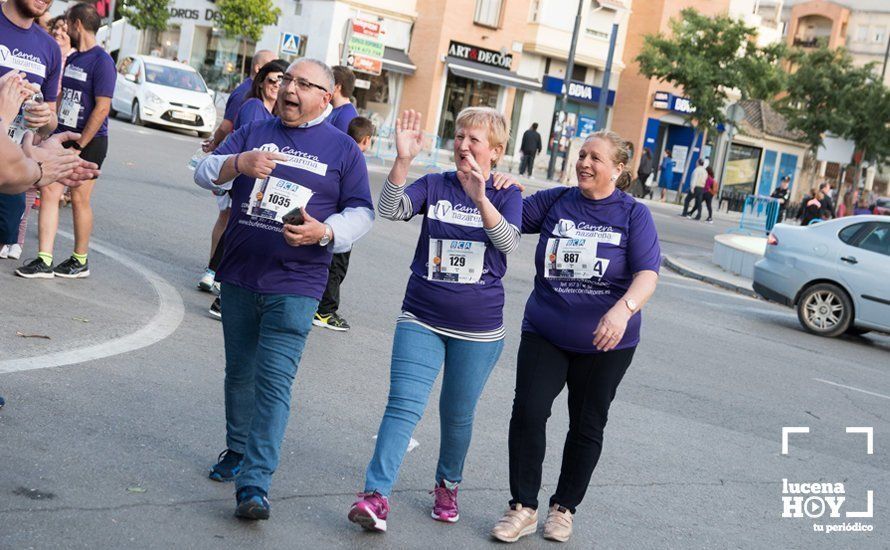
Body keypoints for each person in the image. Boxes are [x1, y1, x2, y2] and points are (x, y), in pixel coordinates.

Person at [193, 58, 374, 521]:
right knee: (239, 372)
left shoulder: (343, 149)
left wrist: (325, 232)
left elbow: (362, 211)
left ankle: (255, 484)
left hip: (297, 282)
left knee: (273, 383)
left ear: (326, 95)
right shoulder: (254, 129)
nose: (290, 89)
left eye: (303, 84)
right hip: (238, 274)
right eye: (287, 80)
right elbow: (203, 169)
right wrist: (238, 163)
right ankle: (236, 449)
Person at [348, 107, 522, 533]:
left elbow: (508, 243)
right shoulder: (435, 184)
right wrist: (403, 161)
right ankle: (376, 496)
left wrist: (481, 197)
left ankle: (448, 484)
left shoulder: (506, 193)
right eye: (459, 136)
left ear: (495, 152)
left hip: (478, 329)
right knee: (402, 405)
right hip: (421, 315)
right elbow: (390, 209)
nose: (463, 145)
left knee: (457, 414)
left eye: (474, 140)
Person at [490, 130, 660, 544]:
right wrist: (496, 185)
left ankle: (563, 509)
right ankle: (523, 508)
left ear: (618, 169)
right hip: (546, 330)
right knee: (529, 412)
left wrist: (623, 310)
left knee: (587, 425)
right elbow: (505, 218)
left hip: (607, 342)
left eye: (595, 158)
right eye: (582, 155)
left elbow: (647, 274)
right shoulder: (556, 201)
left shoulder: (633, 215)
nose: (584, 163)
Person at [16, 3, 115, 279]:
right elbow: (60, 100)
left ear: (77, 25)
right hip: (64, 136)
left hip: (90, 141)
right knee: (48, 190)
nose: (65, 28)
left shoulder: (102, 61)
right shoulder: (72, 59)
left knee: (80, 199)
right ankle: (44, 259)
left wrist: (81, 144)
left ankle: (79, 259)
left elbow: (102, 108)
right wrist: (49, 130)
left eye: (69, 23)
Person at [206, 59, 288, 319]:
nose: (277, 85)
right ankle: (218, 281)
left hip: (258, 181)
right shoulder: (254, 107)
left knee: (235, 224)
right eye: (273, 79)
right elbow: (248, 146)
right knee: (235, 225)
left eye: (281, 80)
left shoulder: (274, 114)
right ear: (262, 82)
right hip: (244, 176)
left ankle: (217, 278)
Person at [197, 49, 276, 293]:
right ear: (260, 75)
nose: (279, 85)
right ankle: (215, 272)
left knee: (229, 219)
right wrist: (216, 151)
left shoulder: (268, 109)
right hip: (240, 172)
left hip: (244, 173)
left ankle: (215, 271)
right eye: (273, 79)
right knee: (233, 220)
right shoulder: (251, 103)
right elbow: (229, 127)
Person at [0, 0, 62, 266]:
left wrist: (45, 118)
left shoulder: (49, 48)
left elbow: (51, 118)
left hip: (11, 169)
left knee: (3, 237)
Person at [313, 116, 375, 331]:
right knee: (336, 268)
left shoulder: (339, 151)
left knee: (326, 265)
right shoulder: (356, 157)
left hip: (327, 220)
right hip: (342, 225)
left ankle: (317, 304)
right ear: (366, 140)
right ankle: (325, 311)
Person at [327, 66, 359, 134]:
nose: (324, 86)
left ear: (338, 87)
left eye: (328, 83)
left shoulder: (345, 116)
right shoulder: (340, 111)